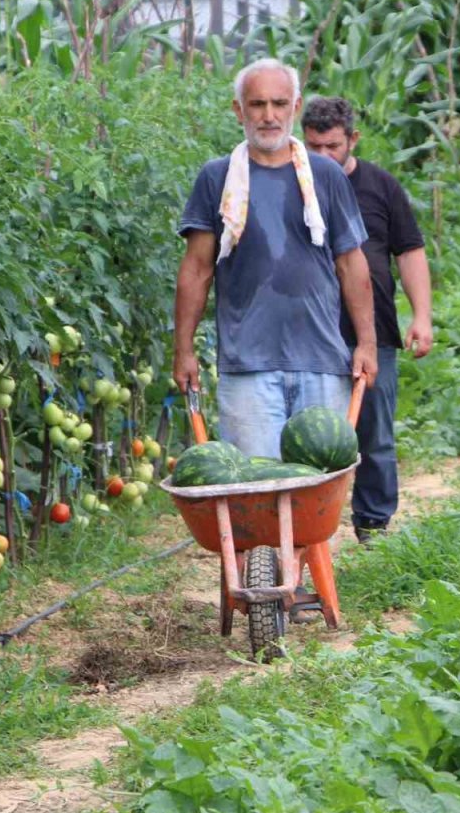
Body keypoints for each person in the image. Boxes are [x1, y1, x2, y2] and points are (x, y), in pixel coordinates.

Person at [174, 60, 378, 461]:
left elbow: (353, 266)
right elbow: (196, 270)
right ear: (239, 110)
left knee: (317, 487)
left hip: (322, 360)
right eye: (257, 104)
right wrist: (183, 350)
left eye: (279, 104)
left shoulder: (327, 177)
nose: (269, 116)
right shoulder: (217, 178)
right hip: (248, 366)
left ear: (296, 107)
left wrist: (367, 344)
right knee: (258, 488)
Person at [301, 96, 433, 544]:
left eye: (332, 147)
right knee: (307, 437)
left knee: (374, 434)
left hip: (374, 332)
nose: (323, 157)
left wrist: (422, 316)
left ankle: (373, 524)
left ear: (352, 140)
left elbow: (410, 252)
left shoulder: (381, 186)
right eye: (314, 147)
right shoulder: (292, 185)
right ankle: (306, 530)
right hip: (308, 336)